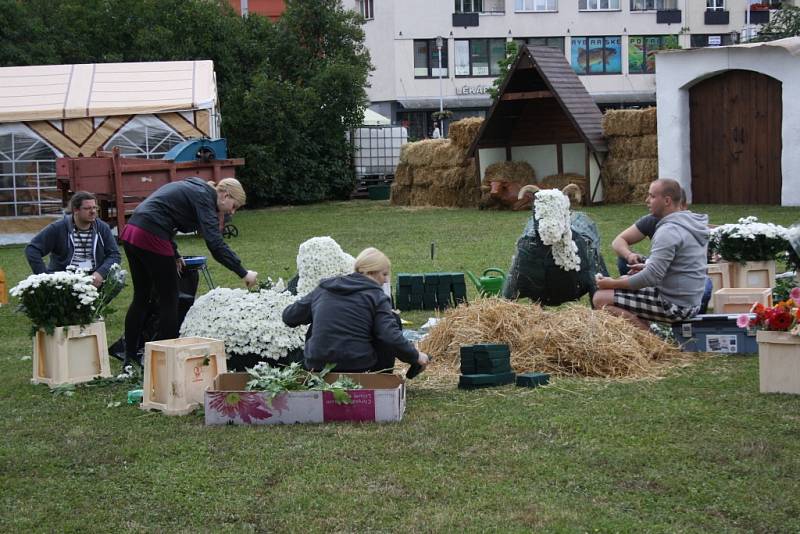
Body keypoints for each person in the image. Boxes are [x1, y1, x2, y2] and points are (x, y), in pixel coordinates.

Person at [120, 177, 257, 367]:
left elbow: (168, 214)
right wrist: (243, 272)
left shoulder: (196, 187)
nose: (232, 211)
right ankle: (166, 359)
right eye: (234, 206)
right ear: (225, 195)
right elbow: (215, 244)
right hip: (152, 234)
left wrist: (174, 254)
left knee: (141, 296)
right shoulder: (205, 199)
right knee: (170, 299)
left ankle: (130, 357)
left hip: (132, 230)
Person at [282, 247, 430, 375]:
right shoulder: (376, 296)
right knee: (392, 319)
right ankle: (381, 378)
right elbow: (389, 335)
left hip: (317, 365)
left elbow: (289, 317)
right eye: (384, 274)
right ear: (370, 272)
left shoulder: (324, 288)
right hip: (358, 366)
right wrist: (415, 356)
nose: (385, 280)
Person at [593, 179, 709, 330]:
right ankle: (649, 329)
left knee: (600, 298)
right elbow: (679, 266)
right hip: (690, 300)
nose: (647, 200)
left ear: (667, 200)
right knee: (624, 279)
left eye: (652, 196)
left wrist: (611, 283)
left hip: (676, 306)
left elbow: (651, 277)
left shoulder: (669, 231)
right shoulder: (688, 222)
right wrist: (646, 266)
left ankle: (653, 342)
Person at [25, 191, 120, 288]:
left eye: (95, 207)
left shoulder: (102, 228)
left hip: (93, 278)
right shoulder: (58, 227)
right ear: (75, 210)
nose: (93, 211)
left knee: (119, 279)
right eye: (87, 208)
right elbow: (32, 249)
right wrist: (44, 276)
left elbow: (114, 254)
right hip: (64, 279)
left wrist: (100, 273)